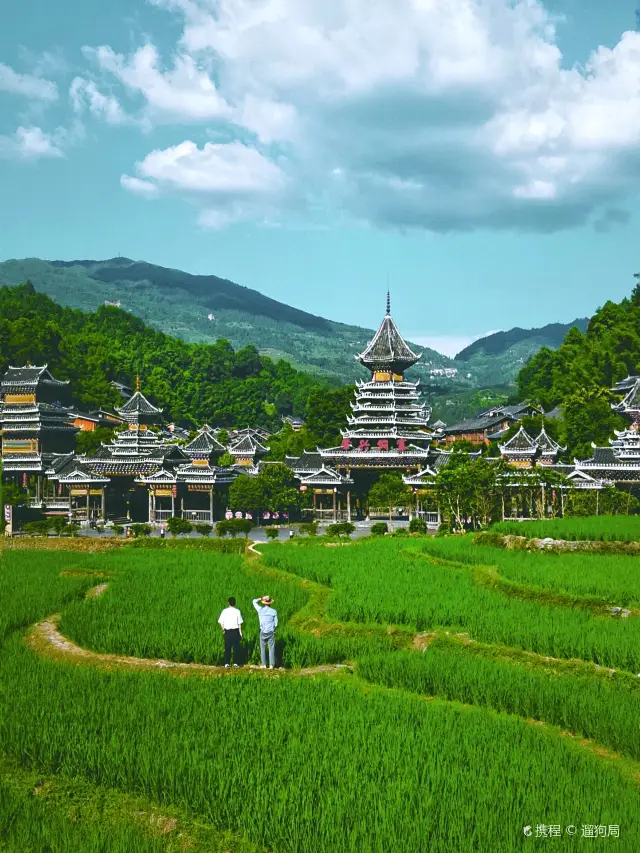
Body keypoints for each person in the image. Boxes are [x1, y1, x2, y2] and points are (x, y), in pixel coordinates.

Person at [252, 595, 278, 669]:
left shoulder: (260, 610)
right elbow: (276, 623)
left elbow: (254, 601)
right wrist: (273, 629)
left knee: (262, 648)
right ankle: (271, 665)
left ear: (264, 603)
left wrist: (261, 598)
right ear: (270, 603)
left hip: (263, 632)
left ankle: (263, 664)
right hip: (271, 632)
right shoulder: (274, 611)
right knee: (271, 648)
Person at [218, 596, 244, 668]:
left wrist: (223, 630)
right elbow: (239, 623)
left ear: (228, 603)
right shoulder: (237, 611)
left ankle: (227, 663)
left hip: (227, 632)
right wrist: (240, 633)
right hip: (235, 631)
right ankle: (236, 663)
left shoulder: (224, 611)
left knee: (227, 648)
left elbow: (220, 622)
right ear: (235, 603)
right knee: (236, 648)